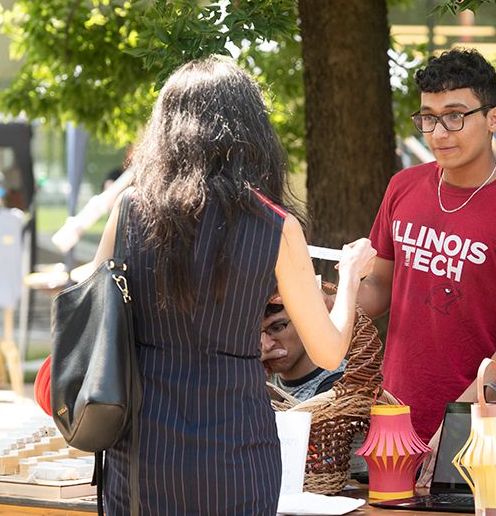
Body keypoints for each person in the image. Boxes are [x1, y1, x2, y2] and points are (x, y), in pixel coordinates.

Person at [91, 56, 376, 515]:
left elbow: (94, 318)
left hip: (142, 451)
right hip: (236, 451)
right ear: (250, 132)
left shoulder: (128, 212)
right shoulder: (274, 227)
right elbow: (328, 352)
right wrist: (349, 279)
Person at [358, 49, 496, 461]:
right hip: (394, 417)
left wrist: (461, 419)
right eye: (428, 117)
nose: (439, 132)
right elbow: (378, 288)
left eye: (454, 115)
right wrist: (329, 295)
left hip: (479, 430)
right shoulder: (403, 187)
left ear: (493, 119)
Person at [261, 299, 346, 401]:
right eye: (255, 334)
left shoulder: (340, 384)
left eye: (277, 328)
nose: (266, 345)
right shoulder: (260, 376)